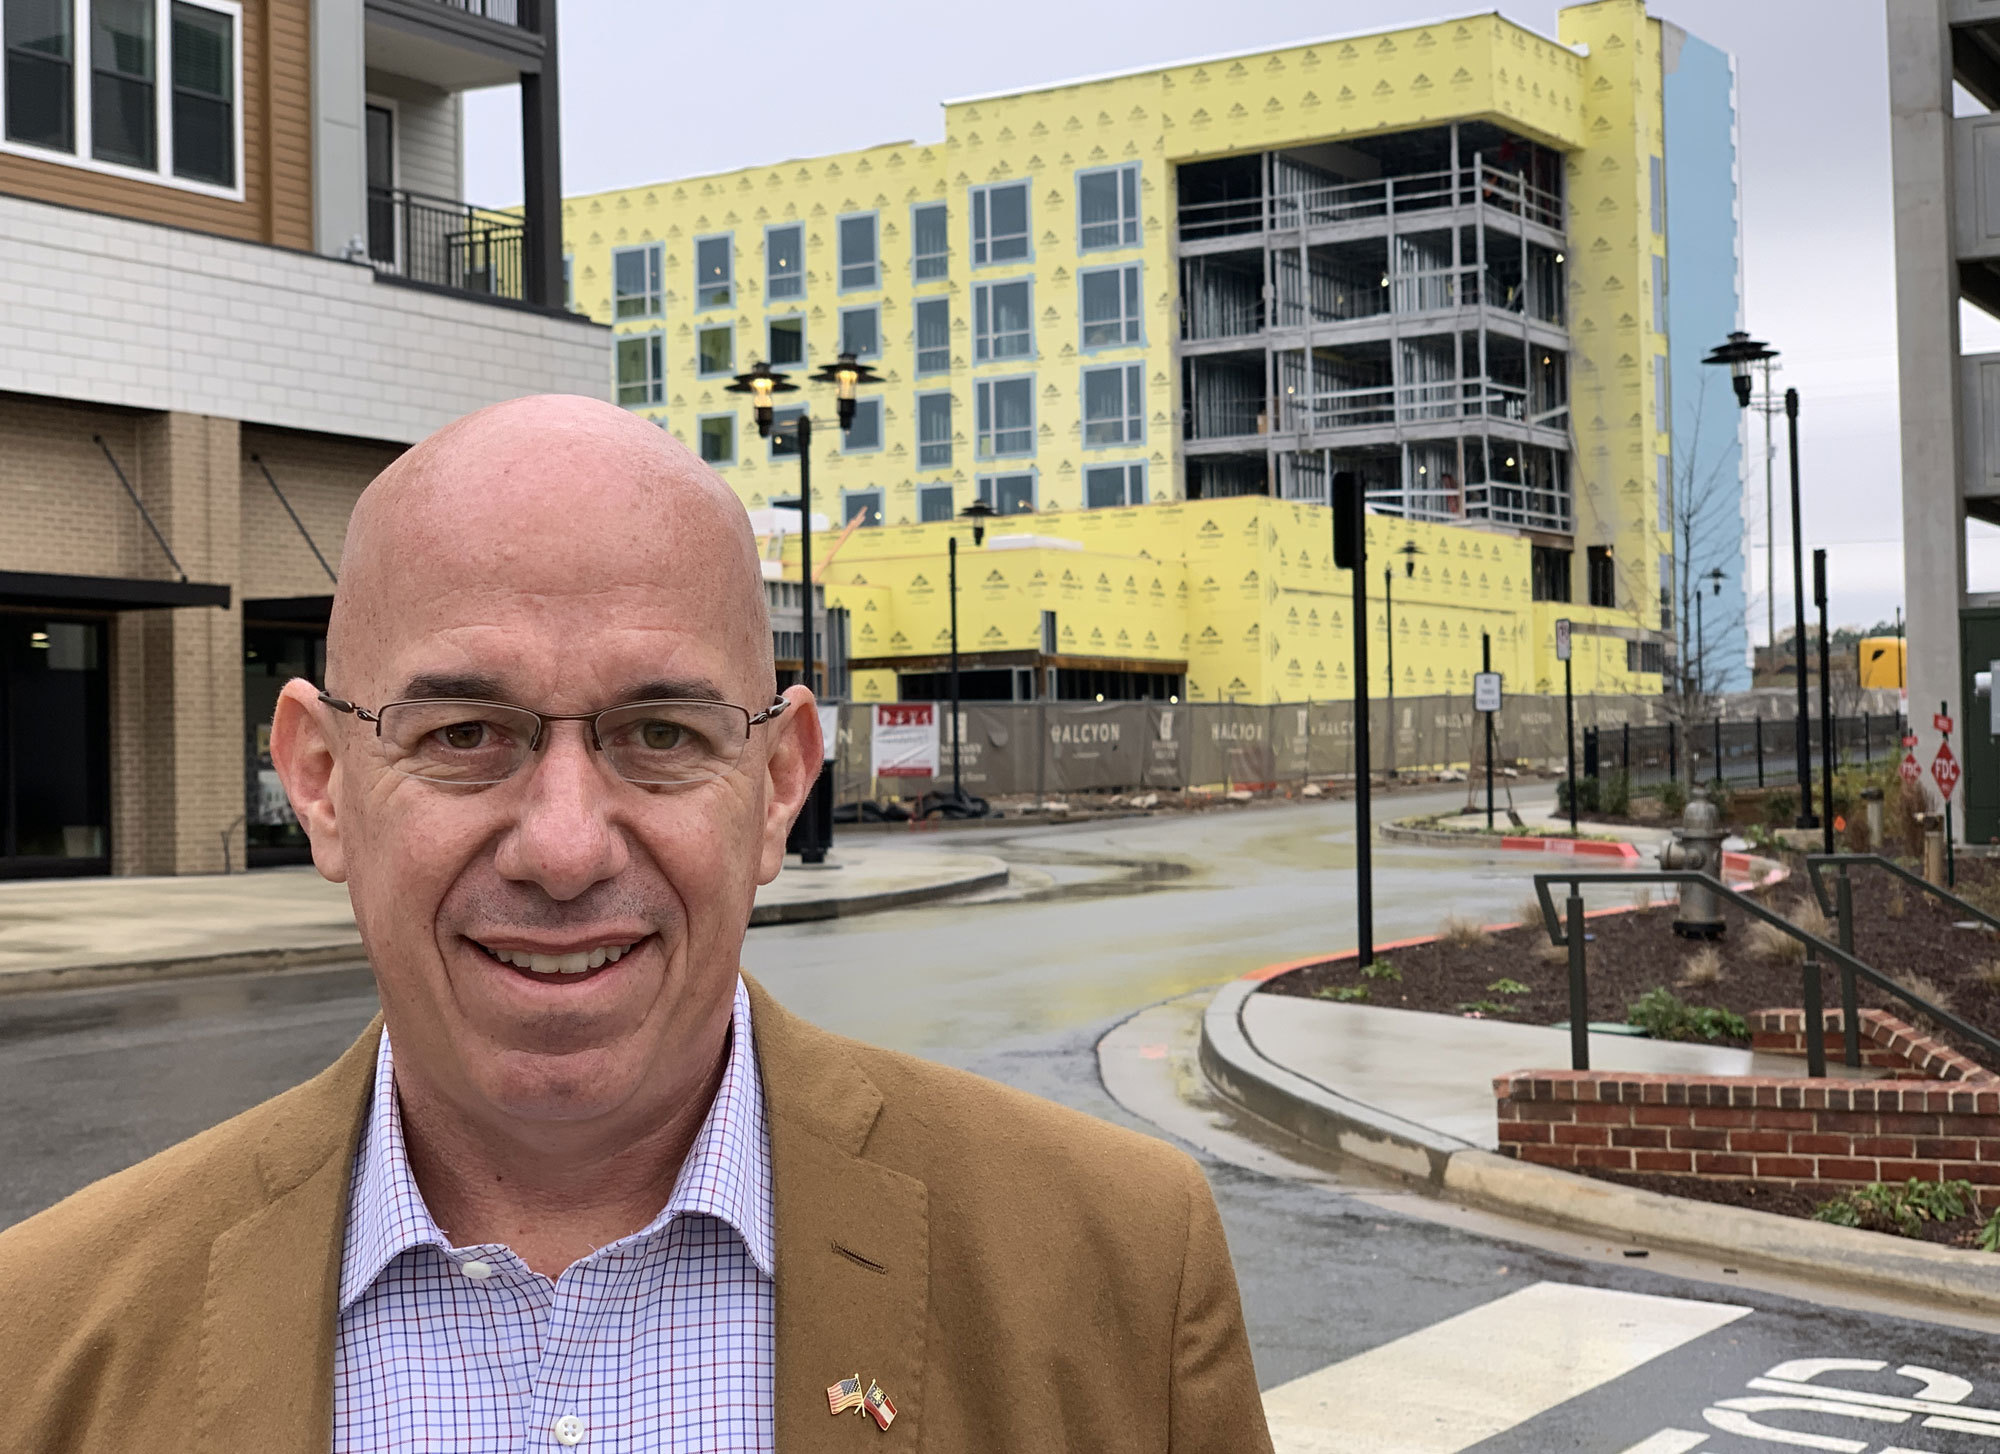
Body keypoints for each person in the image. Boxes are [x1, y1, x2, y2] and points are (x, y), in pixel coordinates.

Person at [0, 396, 1271, 1452]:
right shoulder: (44, 1340)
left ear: (779, 783)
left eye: (659, 733)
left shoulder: (1116, 1266)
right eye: (463, 734)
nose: (561, 846)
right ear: (322, 782)